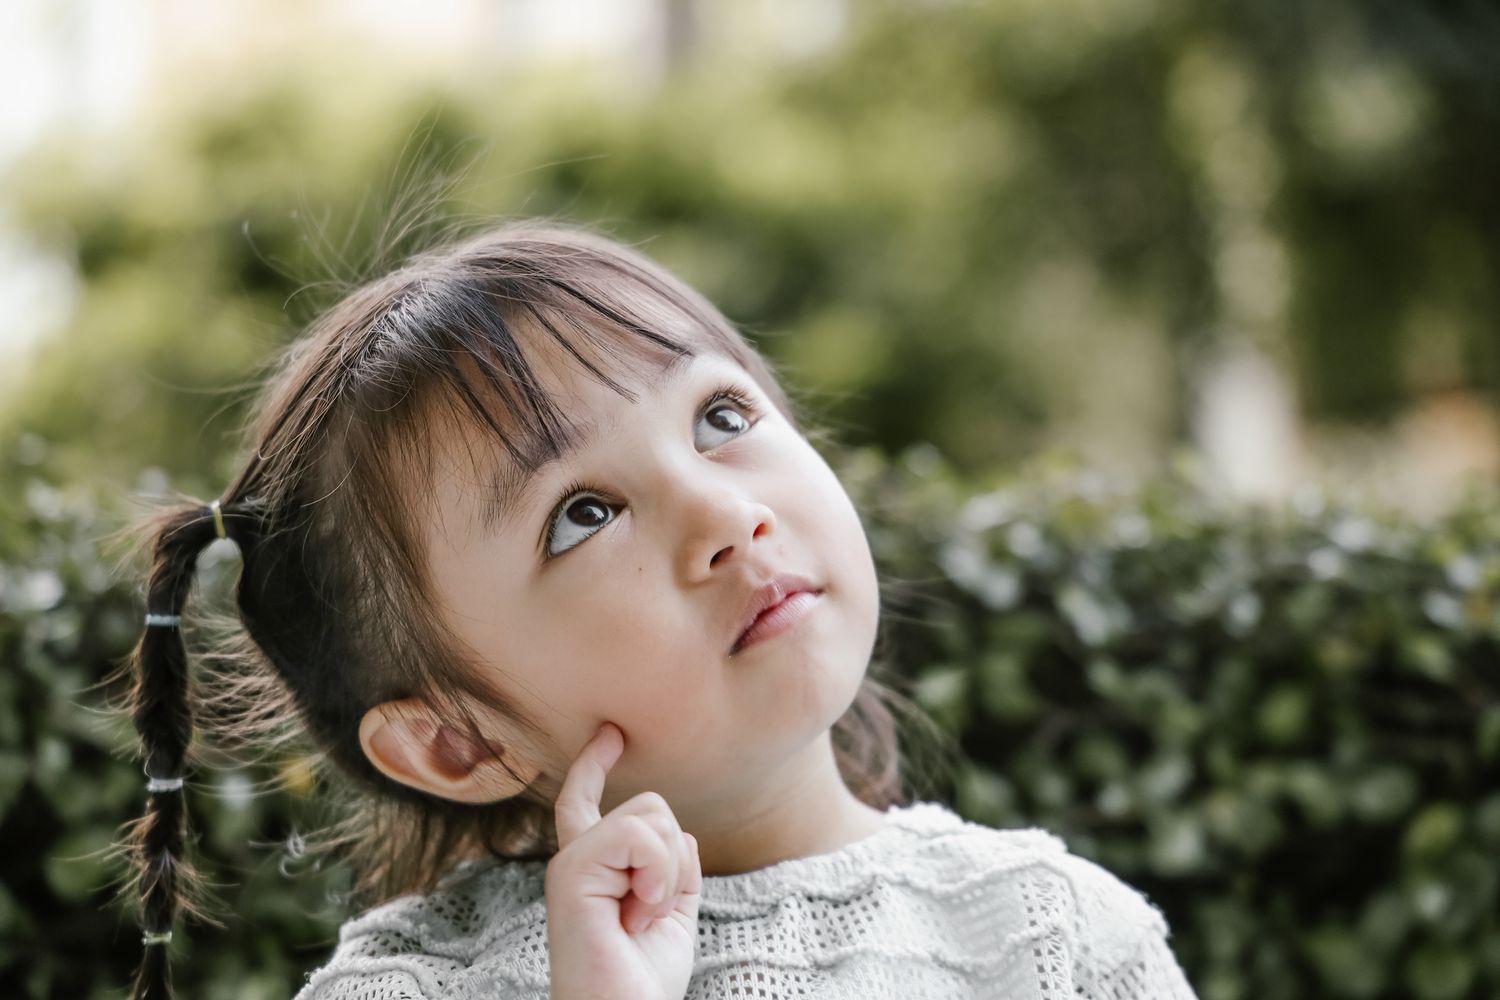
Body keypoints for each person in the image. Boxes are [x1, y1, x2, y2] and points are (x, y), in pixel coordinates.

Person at [111, 217, 1199, 999]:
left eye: (721, 414)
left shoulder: (1055, 935)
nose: (724, 513)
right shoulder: (409, 988)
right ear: (454, 741)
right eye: (583, 514)